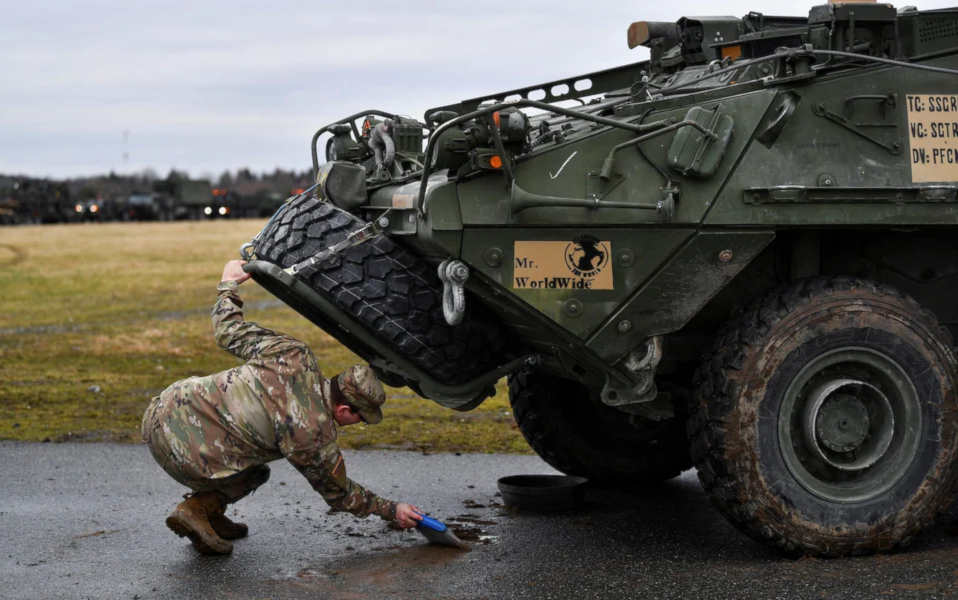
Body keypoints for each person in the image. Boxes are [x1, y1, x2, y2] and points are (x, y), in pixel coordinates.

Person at [141, 259, 422, 555]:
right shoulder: (313, 437)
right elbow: (340, 495)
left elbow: (227, 331)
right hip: (185, 459)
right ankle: (196, 509)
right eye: (361, 419)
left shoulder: (294, 354)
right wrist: (393, 510)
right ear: (343, 411)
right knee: (256, 473)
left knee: (243, 451)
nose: (359, 425)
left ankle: (208, 516)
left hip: (158, 416)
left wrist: (229, 285)